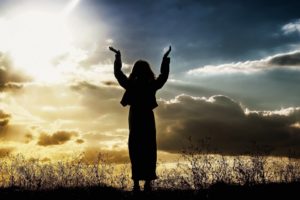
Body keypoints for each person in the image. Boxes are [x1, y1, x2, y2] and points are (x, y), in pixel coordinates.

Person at [109, 46, 171, 192]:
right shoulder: (150, 85)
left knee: (136, 148)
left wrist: (118, 59)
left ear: (135, 70)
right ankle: (147, 183)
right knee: (148, 148)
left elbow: (118, 74)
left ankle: (136, 184)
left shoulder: (131, 85)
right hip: (147, 117)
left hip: (136, 116)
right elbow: (163, 76)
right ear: (147, 70)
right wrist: (165, 60)